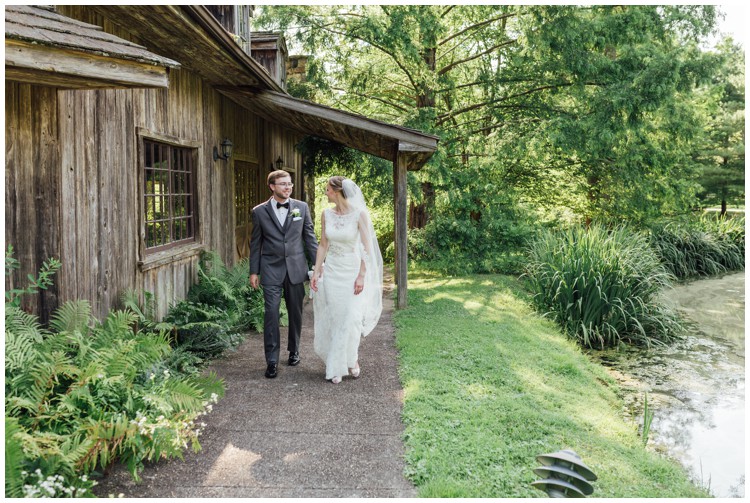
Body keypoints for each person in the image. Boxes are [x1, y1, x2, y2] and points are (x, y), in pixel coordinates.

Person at [310, 176, 383, 384]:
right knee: (336, 318)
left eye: (327, 190)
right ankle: (335, 366)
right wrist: (316, 271)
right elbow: (323, 244)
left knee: (351, 318)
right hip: (332, 271)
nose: (325, 193)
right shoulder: (326, 214)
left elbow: (367, 248)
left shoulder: (359, 214)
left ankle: (352, 360)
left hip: (352, 271)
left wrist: (361, 275)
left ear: (338, 191)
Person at [249, 170, 318, 379]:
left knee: (295, 312)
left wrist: (317, 266)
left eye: (289, 184)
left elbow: (310, 239)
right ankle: (271, 360)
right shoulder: (259, 212)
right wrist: (254, 271)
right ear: (272, 186)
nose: (287, 187)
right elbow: (256, 243)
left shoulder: (301, 208)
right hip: (271, 268)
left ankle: (294, 350)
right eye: (282, 184)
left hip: (296, 268)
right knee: (271, 313)